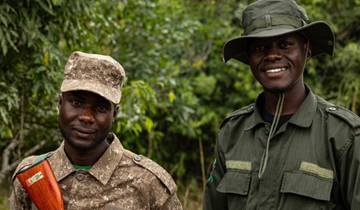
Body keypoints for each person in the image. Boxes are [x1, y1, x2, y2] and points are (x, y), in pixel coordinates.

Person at [203, 0, 360, 209]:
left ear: (307, 49)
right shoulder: (232, 132)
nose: (272, 55)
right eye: (260, 47)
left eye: (285, 45)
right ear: (249, 58)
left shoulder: (343, 136)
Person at [10, 51, 183, 210]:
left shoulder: (148, 182)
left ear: (114, 114)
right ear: (60, 103)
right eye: (77, 103)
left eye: (100, 107)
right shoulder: (32, 176)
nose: (86, 117)